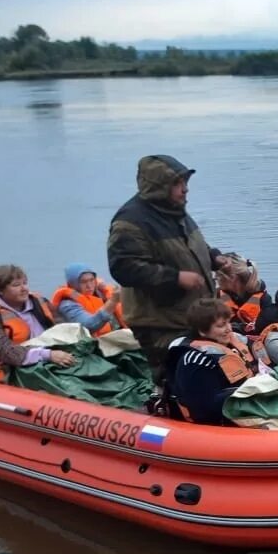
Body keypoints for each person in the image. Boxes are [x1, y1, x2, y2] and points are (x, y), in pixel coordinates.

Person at [106, 154, 235, 384]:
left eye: (185, 182)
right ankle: (167, 409)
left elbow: (192, 245)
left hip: (193, 316)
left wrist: (214, 258)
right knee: (173, 376)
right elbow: (123, 267)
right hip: (160, 321)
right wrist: (174, 277)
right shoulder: (130, 221)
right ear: (158, 187)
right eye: (177, 183)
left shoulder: (175, 211)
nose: (185, 189)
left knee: (203, 374)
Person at [0, 264, 76, 382]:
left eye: (25, 283)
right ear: (0, 290)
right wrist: (49, 355)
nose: (24, 288)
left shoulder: (39, 301)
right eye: (16, 285)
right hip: (9, 371)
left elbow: (62, 327)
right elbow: (7, 352)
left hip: (47, 361)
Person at [168, 298, 262, 425]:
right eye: (221, 325)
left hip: (247, 408)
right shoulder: (196, 360)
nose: (229, 329)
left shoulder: (233, 346)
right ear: (202, 330)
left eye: (228, 322)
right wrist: (254, 390)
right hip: (216, 424)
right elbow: (205, 408)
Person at [50, 263, 125, 337]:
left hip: (111, 336)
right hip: (88, 344)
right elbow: (88, 326)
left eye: (91, 280)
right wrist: (113, 301)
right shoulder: (67, 305)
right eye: (83, 282)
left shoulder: (101, 294)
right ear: (73, 284)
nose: (89, 286)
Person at [216, 253, 271, 337]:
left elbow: (265, 328)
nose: (216, 279)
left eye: (218, 276)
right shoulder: (216, 296)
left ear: (232, 278)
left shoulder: (264, 299)